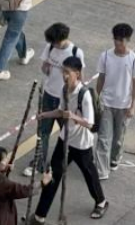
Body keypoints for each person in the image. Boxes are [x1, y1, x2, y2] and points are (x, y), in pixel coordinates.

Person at [30, 55, 109, 223]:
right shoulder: (63, 89)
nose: (64, 76)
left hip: (81, 144)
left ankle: (101, 202)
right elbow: (60, 111)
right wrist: (44, 115)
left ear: (77, 74)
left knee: (89, 174)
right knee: (52, 176)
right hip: (64, 140)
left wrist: (72, 116)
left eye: (68, 72)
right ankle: (39, 216)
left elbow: (89, 123)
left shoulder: (84, 94)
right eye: (63, 72)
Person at [26, 22, 86, 177]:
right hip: (49, 95)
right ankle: (39, 163)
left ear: (62, 39)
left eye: (55, 42)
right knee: (43, 131)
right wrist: (47, 67)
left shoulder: (75, 52)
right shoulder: (50, 47)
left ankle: (64, 160)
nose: (53, 45)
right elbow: (44, 68)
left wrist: (78, 100)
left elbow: (80, 77)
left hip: (66, 99)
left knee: (67, 132)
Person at [93, 23, 135, 180]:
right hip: (106, 104)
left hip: (124, 106)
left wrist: (133, 106)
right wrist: (96, 99)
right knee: (103, 138)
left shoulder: (134, 60)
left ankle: (114, 158)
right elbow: (101, 78)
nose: (117, 43)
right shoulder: (105, 56)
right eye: (115, 39)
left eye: (121, 40)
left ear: (127, 40)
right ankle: (102, 171)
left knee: (118, 139)